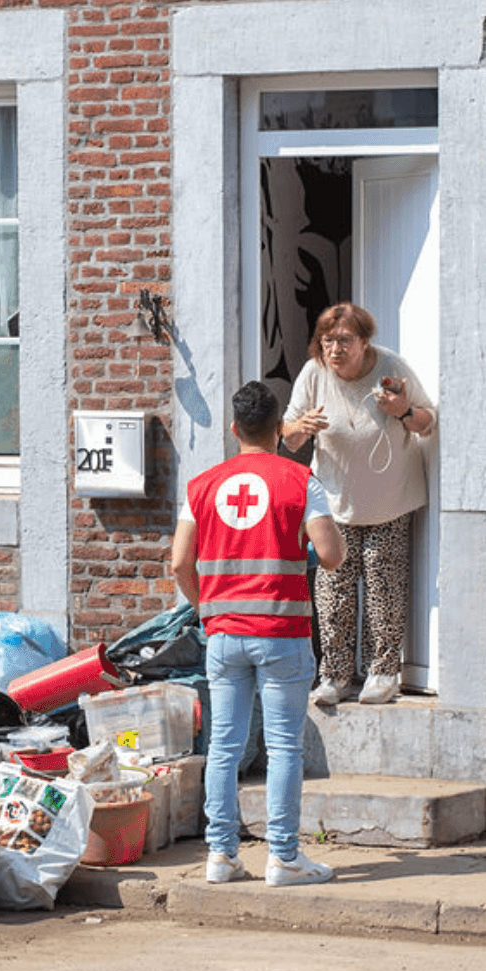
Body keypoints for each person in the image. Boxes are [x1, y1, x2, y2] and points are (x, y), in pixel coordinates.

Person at [172, 381, 346, 887]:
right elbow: (332, 555)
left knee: (224, 747)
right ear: (278, 430)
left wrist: (208, 611)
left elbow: (180, 562)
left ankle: (220, 856)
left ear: (234, 429)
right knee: (285, 747)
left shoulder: (201, 486)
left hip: (224, 634)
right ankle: (284, 859)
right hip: (281, 631)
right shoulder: (300, 480)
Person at [281, 302, 435, 706]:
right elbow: (288, 437)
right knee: (333, 592)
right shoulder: (314, 372)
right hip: (335, 504)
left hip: (390, 500)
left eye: (344, 340)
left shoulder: (390, 366)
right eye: (327, 340)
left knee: (385, 590)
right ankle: (335, 676)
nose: (335, 349)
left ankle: (382, 673)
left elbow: (427, 422)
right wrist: (300, 427)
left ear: (364, 342)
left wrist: (403, 411)